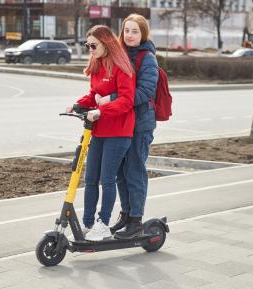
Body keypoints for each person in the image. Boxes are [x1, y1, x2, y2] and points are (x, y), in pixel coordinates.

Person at [66, 25, 136, 241]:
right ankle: (88, 224)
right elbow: (94, 94)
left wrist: (100, 110)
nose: (90, 49)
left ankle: (103, 224)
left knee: (107, 179)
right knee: (90, 178)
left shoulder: (121, 67)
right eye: (87, 45)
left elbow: (127, 100)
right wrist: (78, 105)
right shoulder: (97, 66)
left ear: (106, 43)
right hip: (99, 130)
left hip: (119, 131)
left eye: (93, 45)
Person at [97, 14, 159, 239]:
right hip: (120, 124)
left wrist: (114, 98)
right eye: (126, 31)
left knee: (134, 171)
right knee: (121, 172)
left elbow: (145, 92)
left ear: (143, 34)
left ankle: (136, 221)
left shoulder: (147, 58)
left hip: (140, 125)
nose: (130, 35)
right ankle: (125, 213)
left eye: (135, 31)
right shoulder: (118, 55)